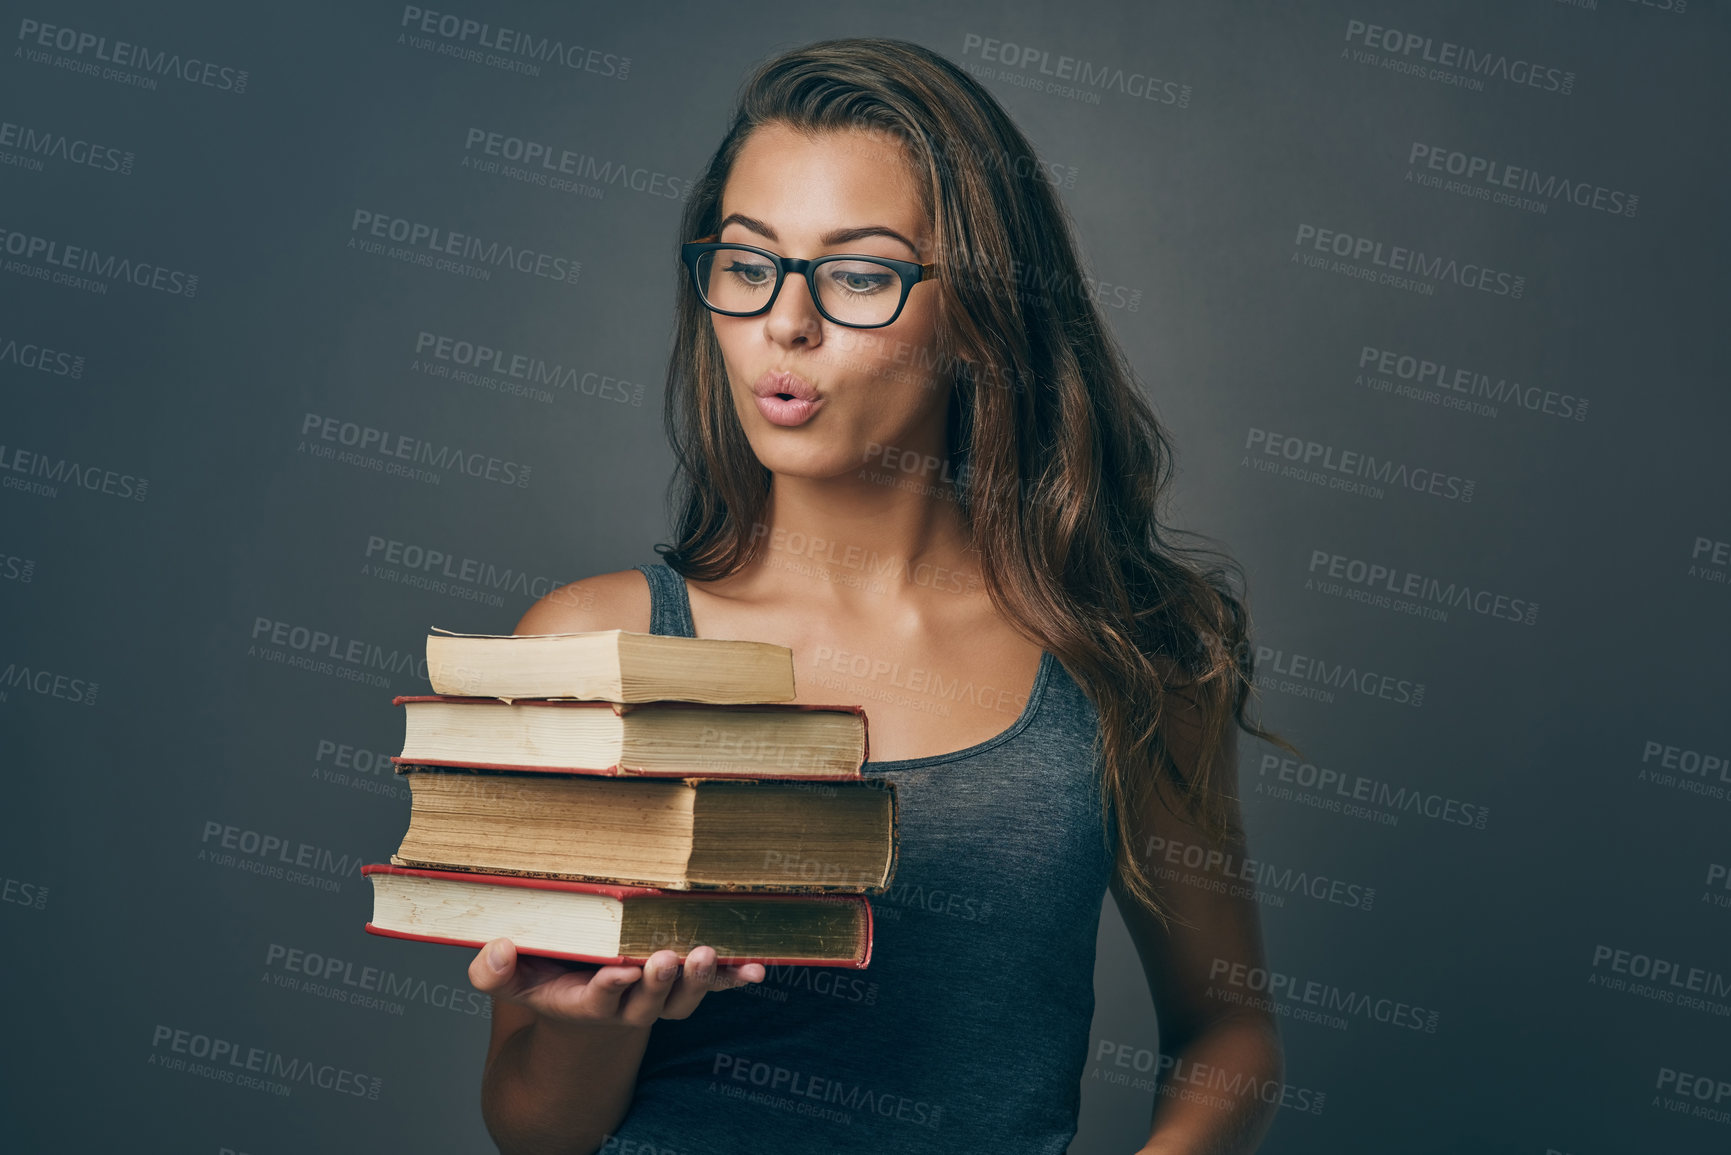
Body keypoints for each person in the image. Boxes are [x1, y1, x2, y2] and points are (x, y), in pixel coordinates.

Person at [465, 36, 1293, 1155]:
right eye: (748, 263)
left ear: (980, 315)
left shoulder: (1131, 653)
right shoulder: (589, 648)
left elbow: (1228, 1031)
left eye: (858, 275)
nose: (784, 325)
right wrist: (597, 1026)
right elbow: (531, 1131)